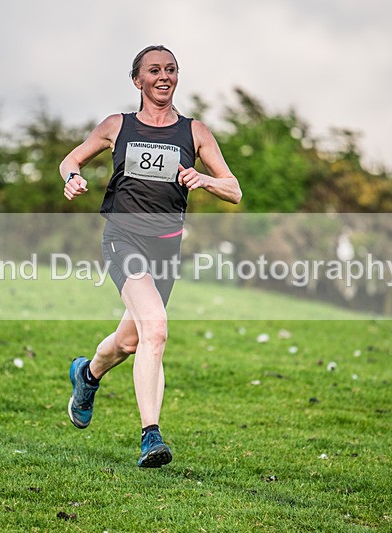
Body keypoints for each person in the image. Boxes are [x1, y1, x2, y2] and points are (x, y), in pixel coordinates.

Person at [59, 45, 242, 467]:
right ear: (137, 80)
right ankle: (150, 436)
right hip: (123, 240)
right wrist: (72, 177)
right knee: (156, 329)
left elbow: (233, 188)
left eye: (171, 69)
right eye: (154, 70)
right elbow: (72, 159)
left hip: (166, 248)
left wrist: (205, 180)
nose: (164, 76)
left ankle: (87, 376)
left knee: (131, 339)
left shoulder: (195, 133)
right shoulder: (116, 126)